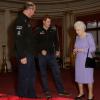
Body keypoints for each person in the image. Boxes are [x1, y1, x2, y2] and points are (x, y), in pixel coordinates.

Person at [34, 15, 70, 98]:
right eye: (47, 22)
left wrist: (57, 50)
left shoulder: (53, 30)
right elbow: (34, 43)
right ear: (43, 21)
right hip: (41, 56)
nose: (49, 23)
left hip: (51, 55)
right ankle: (46, 91)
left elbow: (56, 41)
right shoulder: (37, 30)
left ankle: (61, 90)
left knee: (57, 72)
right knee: (43, 74)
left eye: (50, 22)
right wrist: (40, 50)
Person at [14, 1, 38, 98]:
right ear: (29, 9)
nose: (34, 13)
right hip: (25, 54)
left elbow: (28, 39)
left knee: (32, 76)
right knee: (24, 76)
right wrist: (22, 56)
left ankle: (31, 95)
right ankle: (22, 96)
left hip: (30, 54)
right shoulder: (20, 21)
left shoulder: (26, 21)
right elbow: (18, 40)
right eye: (34, 11)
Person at [73, 21, 96, 100]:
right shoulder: (77, 37)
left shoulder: (88, 36)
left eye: (78, 30)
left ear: (83, 29)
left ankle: (90, 94)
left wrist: (82, 50)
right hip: (78, 60)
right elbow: (75, 47)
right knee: (79, 77)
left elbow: (93, 48)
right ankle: (81, 93)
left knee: (89, 78)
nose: (77, 32)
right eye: (76, 30)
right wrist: (75, 50)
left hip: (88, 59)